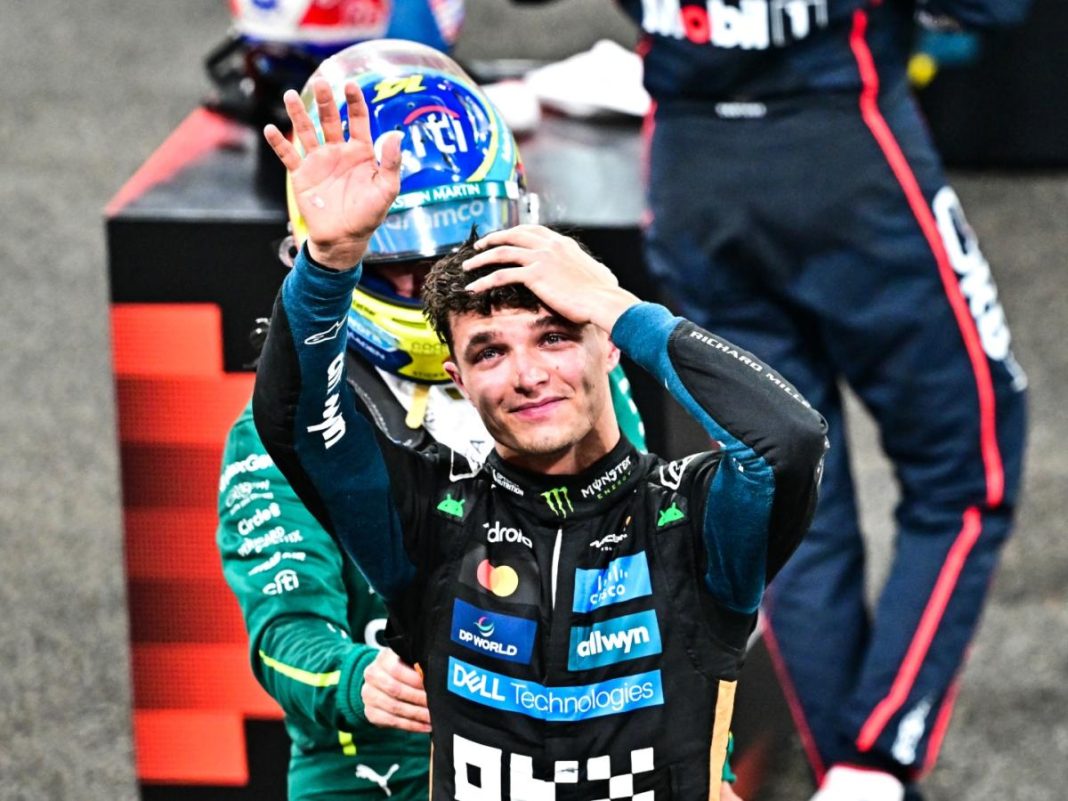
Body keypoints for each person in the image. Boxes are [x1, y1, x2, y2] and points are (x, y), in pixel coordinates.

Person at [251, 40, 828, 799]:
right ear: (460, 378)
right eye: (491, 352)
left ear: (610, 348)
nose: (527, 374)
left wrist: (623, 308)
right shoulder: (430, 520)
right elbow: (292, 425)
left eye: (554, 338)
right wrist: (328, 263)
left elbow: (788, 442)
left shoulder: (694, 519)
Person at [600, 0, 1032, 797]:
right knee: (967, 472)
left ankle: (852, 771)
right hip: (846, 156)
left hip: (693, 170)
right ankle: (876, 760)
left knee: (788, 482)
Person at [216, 41, 650, 800]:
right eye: (405, 265)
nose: (436, 286)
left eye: (461, 255)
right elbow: (283, 633)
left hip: (568, 750)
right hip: (379, 767)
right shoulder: (278, 428)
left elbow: (654, 587)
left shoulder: (571, 380)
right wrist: (356, 678)